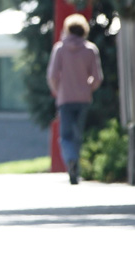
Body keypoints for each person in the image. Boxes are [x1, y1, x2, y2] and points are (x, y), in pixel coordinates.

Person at [47, 13, 103, 185]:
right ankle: (75, 165)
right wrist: (88, 88)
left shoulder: (60, 49)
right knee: (77, 135)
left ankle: (71, 160)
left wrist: (57, 90)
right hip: (84, 98)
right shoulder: (90, 49)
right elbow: (97, 77)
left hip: (65, 98)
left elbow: (52, 75)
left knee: (65, 136)